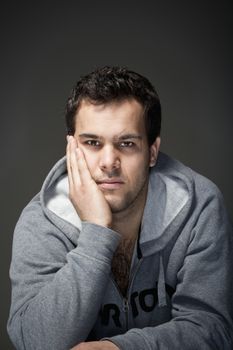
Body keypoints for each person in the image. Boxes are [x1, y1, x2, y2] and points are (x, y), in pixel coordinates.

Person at [7, 66, 233, 350]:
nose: (108, 162)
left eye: (126, 144)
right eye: (92, 143)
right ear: (71, 148)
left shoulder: (199, 206)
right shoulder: (41, 221)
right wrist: (96, 234)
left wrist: (119, 349)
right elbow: (34, 341)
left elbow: (212, 329)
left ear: (152, 152)